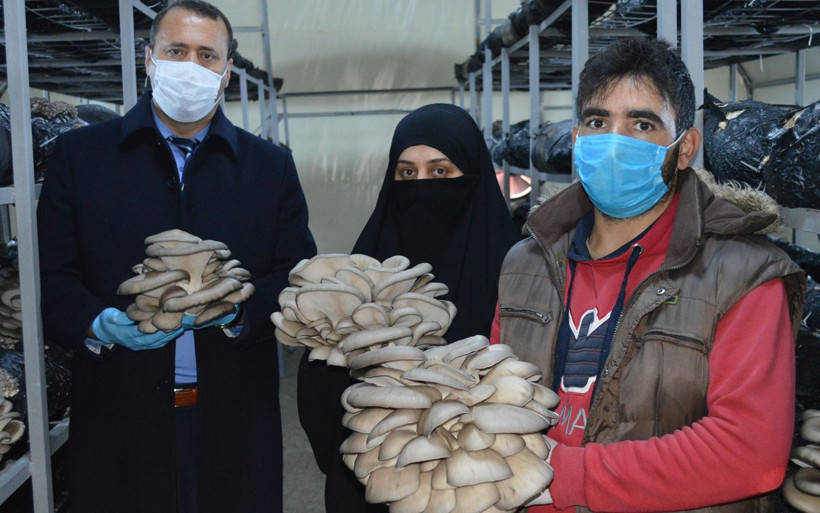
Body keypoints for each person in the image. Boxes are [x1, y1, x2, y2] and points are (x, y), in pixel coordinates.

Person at [493, 37, 806, 512]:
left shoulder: (745, 274)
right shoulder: (525, 263)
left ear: (684, 149)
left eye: (642, 123)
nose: (615, 143)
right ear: (577, 141)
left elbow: (749, 452)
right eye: (598, 122)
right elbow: (494, 399)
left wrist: (562, 475)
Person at [36, 2, 316, 512]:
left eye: (208, 55)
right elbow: (51, 276)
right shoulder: (82, 157)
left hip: (234, 411)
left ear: (227, 71)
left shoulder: (268, 167)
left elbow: (295, 273)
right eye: (176, 51)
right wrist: (96, 323)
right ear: (149, 59)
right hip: (119, 409)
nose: (191, 66)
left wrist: (239, 314)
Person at [297, 103, 521, 512]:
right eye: (407, 173)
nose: (422, 186)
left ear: (471, 175)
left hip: (480, 486)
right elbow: (319, 389)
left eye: (440, 172)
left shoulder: (516, 274)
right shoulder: (365, 272)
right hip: (371, 481)